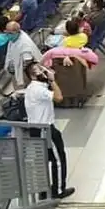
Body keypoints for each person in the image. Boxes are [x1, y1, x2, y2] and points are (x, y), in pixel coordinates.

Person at [23, 62, 74, 199]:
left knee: (43, 160)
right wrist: (52, 80)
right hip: (46, 129)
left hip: (35, 129)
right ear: (34, 75)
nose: (45, 71)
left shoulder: (33, 88)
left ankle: (43, 190)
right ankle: (57, 191)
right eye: (41, 69)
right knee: (58, 159)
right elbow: (58, 97)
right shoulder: (38, 89)